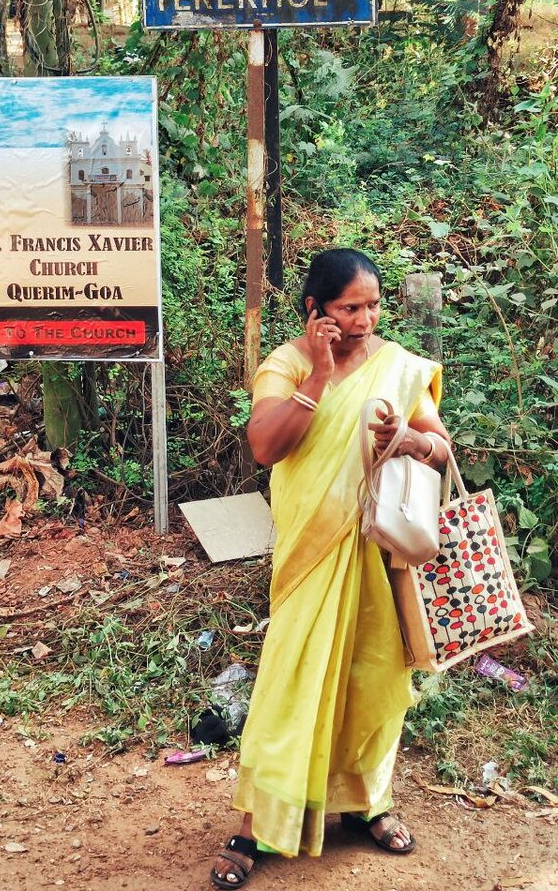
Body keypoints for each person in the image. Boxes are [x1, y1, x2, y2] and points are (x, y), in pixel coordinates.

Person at [210, 249, 450, 887]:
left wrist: (407, 440)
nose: (365, 318)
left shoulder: (399, 367)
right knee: (290, 685)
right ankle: (257, 825)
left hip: (374, 553)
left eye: (372, 305)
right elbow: (265, 445)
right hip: (308, 558)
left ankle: (368, 805)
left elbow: (440, 446)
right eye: (350, 307)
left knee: (371, 681)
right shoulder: (285, 365)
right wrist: (316, 376)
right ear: (317, 309)